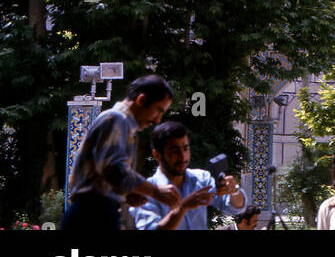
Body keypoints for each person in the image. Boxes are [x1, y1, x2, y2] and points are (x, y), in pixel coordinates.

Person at [61, 74, 181, 233]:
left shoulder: (122, 124)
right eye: (159, 110)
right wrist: (155, 191)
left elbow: (104, 176)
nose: (158, 120)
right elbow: (113, 169)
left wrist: (126, 194)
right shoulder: (117, 119)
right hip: (92, 214)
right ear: (141, 100)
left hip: (96, 212)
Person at [132, 120, 246, 230]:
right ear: (157, 154)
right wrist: (182, 208)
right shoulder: (147, 192)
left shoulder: (201, 179)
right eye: (175, 151)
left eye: (186, 149)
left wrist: (233, 191)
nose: (182, 156)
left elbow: (235, 208)